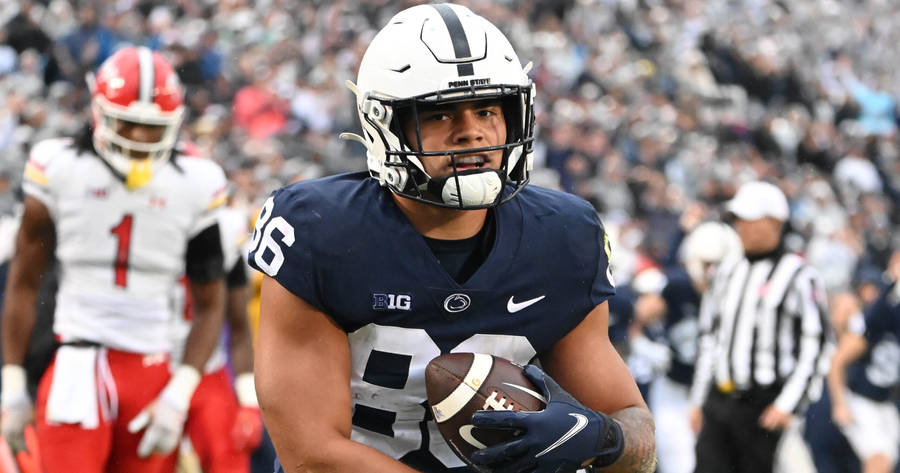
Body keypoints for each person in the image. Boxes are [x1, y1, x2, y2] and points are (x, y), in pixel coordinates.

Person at [248, 4, 656, 473]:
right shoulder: (320, 229)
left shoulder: (564, 235)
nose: (472, 133)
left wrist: (601, 439)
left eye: (487, 110)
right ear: (385, 125)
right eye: (441, 115)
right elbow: (312, 455)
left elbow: (639, 439)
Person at [0, 46, 228, 473]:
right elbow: (23, 282)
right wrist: (11, 384)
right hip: (76, 366)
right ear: (99, 112)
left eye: (151, 127)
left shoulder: (196, 183)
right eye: (129, 123)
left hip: (153, 369)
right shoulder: (60, 167)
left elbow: (211, 303)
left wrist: (180, 394)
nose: (139, 138)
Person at [689, 180, 832, 473]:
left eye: (748, 219)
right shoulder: (726, 270)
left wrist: (787, 404)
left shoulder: (799, 275)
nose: (740, 226)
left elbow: (816, 345)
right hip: (720, 401)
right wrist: (698, 400)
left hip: (764, 406)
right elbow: (710, 339)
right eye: (738, 219)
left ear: (774, 222)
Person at [631, 221, 740, 473]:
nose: (713, 273)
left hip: (717, 393)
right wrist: (642, 345)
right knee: (680, 464)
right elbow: (638, 314)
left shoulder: (738, 294)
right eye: (709, 264)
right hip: (674, 388)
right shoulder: (678, 286)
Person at [172, 205, 263, 473]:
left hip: (207, 373)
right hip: (148, 363)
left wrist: (248, 403)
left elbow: (238, 327)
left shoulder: (222, 229)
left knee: (228, 459)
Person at [827, 260, 899, 473]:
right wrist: (840, 404)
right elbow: (836, 363)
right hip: (861, 401)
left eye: (872, 289)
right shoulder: (867, 327)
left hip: (884, 402)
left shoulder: (893, 320)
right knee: (879, 460)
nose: (869, 295)